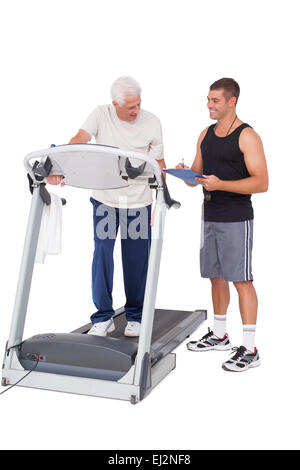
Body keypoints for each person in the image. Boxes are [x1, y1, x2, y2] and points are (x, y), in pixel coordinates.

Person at [48, 76, 166, 337]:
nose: (136, 111)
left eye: (138, 104)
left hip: (137, 203)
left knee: (136, 261)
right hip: (105, 201)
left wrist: (159, 195)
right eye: (130, 107)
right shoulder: (101, 114)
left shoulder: (152, 122)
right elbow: (79, 138)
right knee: (102, 254)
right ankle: (103, 317)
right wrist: (59, 166)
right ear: (115, 104)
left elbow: (159, 164)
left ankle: (135, 315)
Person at [177, 78, 268, 372]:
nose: (209, 105)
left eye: (215, 101)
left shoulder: (247, 136)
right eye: (208, 99)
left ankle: (251, 349)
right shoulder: (205, 134)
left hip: (236, 217)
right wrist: (186, 174)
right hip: (210, 214)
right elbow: (198, 177)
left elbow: (262, 182)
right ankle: (219, 335)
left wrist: (222, 184)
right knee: (215, 276)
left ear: (232, 101)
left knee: (241, 279)